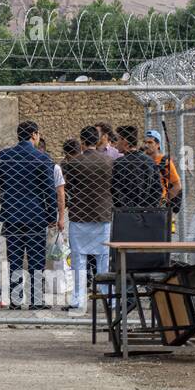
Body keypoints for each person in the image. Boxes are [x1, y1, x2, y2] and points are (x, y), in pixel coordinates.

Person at [0, 121, 57, 309]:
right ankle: (36, 300)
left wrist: (12, 190)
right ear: (34, 135)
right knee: (36, 260)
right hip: (36, 215)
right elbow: (49, 191)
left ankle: (15, 299)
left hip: (12, 214)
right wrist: (52, 216)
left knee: (15, 260)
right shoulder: (42, 158)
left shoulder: (5, 155)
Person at [61, 126, 113, 313]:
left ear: (82, 142)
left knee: (79, 259)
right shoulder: (108, 161)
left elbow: (69, 189)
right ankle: (109, 298)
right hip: (102, 214)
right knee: (103, 259)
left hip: (80, 214)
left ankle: (78, 300)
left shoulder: (74, 163)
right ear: (97, 140)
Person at [111, 125, 162, 211]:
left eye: (118, 139)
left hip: (125, 214)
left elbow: (115, 190)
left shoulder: (119, 163)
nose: (116, 143)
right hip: (146, 214)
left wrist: (127, 208)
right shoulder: (149, 161)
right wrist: (148, 208)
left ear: (125, 141)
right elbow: (157, 189)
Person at [143, 129, 182, 235]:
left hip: (159, 204)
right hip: (142, 205)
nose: (146, 145)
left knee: (159, 236)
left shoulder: (164, 161)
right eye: (145, 142)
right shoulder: (141, 160)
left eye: (150, 142)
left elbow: (177, 185)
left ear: (158, 145)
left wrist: (164, 201)